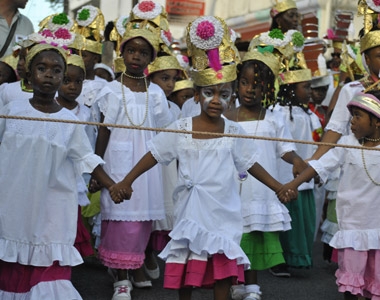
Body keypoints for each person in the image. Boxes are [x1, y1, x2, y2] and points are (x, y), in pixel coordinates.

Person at [110, 16, 296, 300]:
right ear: (197, 94)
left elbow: (250, 163)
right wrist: (126, 180)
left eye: (224, 94)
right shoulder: (181, 128)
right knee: (188, 272)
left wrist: (278, 187)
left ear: (232, 97)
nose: (216, 100)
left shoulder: (232, 131)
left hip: (223, 213)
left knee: (221, 271)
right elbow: (154, 154)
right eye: (209, 93)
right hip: (191, 211)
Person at [0, 42, 114, 299]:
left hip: (51, 206)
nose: (49, 74)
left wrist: (111, 184)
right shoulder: (12, 111)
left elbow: (87, 157)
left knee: (47, 264)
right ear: (28, 75)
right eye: (42, 68)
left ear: (63, 78)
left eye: (56, 70)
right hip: (14, 204)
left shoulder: (70, 121)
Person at [95, 26, 173, 300]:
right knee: (118, 220)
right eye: (131, 50)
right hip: (116, 161)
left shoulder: (156, 93)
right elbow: (103, 130)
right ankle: (121, 279)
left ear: (151, 58)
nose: (136, 56)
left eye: (142, 52)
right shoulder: (111, 90)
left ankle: (134, 265)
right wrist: (97, 167)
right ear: (122, 53)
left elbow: (163, 134)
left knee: (140, 222)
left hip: (145, 166)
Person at [279, 91, 380, 300]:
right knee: (351, 287)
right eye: (351, 116)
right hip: (353, 228)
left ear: (377, 122)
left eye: (358, 116)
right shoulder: (347, 144)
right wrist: (293, 185)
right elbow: (319, 166)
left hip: (377, 229)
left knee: (375, 284)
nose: (351, 122)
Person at [225, 46, 308, 300]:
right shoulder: (227, 117)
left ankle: (252, 287)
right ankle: (234, 282)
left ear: (268, 89)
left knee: (254, 238)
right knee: (232, 237)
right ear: (237, 84)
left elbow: (285, 148)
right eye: (245, 83)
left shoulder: (273, 117)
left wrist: (296, 160)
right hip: (231, 190)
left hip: (261, 190)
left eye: (257, 85)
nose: (250, 89)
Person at [273, 67, 322, 274]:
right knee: (287, 220)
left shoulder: (310, 113)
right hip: (286, 177)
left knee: (305, 221)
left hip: (307, 177)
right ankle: (281, 260)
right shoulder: (277, 112)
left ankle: (300, 257)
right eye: (305, 86)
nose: (310, 91)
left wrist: (318, 169)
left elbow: (317, 144)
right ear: (291, 88)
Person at [310, 28, 380, 161]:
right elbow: (336, 129)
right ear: (367, 59)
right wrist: (314, 161)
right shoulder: (352, 90)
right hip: (359, 162)